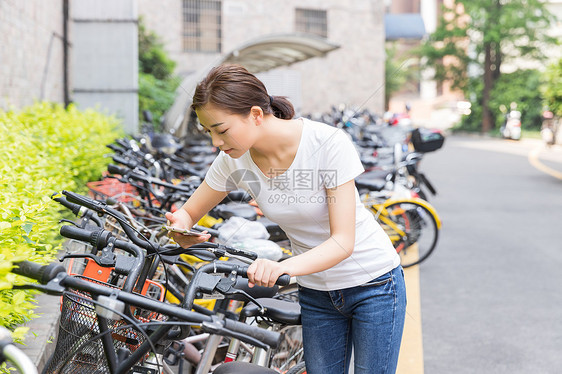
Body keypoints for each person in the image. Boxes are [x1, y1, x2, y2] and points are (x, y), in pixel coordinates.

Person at [165, 64, 407, 374]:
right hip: (316, 291)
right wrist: (179, 227)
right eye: (208, 131)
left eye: (221, 130)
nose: (215, 142)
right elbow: (187, 212)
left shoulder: (327, 144)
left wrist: (282, 267)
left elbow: (343, 241)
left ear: (255, 114)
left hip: (374, 284)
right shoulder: (232, 160)